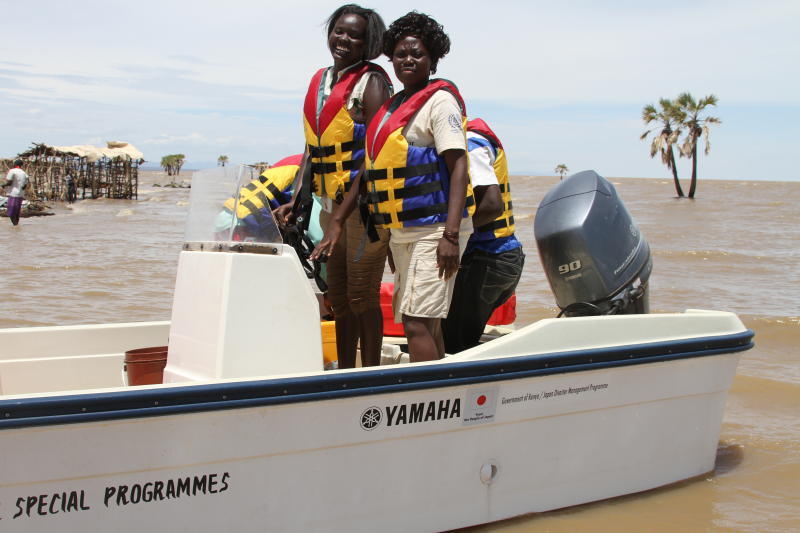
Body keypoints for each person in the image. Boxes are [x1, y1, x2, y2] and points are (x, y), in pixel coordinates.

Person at [281, 4, 393, 369]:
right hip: (330, 206)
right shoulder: (321, 80)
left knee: (362, 297)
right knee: (340, 298)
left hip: (364, 212)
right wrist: (297, 200)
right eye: (339, 31)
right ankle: (345, 373)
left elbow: (376, 155)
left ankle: (371, 374)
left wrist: (342, 219)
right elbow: (314, 149)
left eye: (354, 35)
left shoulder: (372, 83)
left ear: (368, 42)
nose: (343, 40)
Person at [360, 12, 475, 362]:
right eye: (400, 54)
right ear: (390, 58)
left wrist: (451, 236)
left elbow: (458, 168)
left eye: (417, 54)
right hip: (404, 231)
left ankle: (422, 399)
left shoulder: (440, 102)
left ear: (433, 58)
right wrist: (395, 237)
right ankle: (442, 396)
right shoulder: (393, 106)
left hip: (438, 228)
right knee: (428, 323)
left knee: (416, 323)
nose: (408, 60)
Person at [442, 118, 525, 353]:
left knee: (456, 345)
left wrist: (449, 236)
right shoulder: (465, 143)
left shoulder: (471, 144)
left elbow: (491, 205)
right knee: (454, 337)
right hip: (495, 257)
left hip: (487, 257)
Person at [3, 159, 29, 226]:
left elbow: (9, 182)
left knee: (11, 212)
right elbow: (25, 186)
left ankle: (15, 226)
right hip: (20, 194)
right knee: (17, 212)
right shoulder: (24, 173)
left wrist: (3, 185)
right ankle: (16, 225)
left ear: (15, 164)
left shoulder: (12, 171)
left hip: (13, 194)